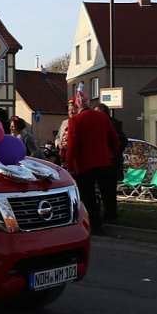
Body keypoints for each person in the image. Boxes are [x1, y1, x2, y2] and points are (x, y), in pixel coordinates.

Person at [65, 84, 119, 235]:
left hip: (85, 164)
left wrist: (69, 164)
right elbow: (113, 138)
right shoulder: (102, 116)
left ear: (76, 105)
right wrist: (112, 154)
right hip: (104, 161)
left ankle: (95, 224)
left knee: (87, 195)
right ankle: (109, 215)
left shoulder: (75, 121)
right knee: (106, 192)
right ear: (88, 102)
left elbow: (72, 145)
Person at [56, 99, 79, 167]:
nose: (71, 112)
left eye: (73, 109)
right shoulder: (64, 122)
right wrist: (58, 145)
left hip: (75, 157)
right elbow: (57, 137)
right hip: (63, 156)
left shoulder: (80, 122)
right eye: (69, 110)